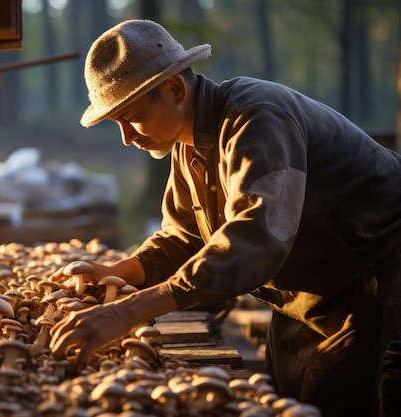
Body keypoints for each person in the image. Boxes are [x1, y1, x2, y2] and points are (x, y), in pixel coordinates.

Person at [48, 19, 401, 417]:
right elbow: (185, 236)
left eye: (131, 117)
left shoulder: (257, 119)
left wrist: (129, 311)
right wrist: (123, 271)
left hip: (376, 281)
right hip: (310, 293)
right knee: (290, 400)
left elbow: (257, 236)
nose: (127, 138)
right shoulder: (188, 142)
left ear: (176, 90)